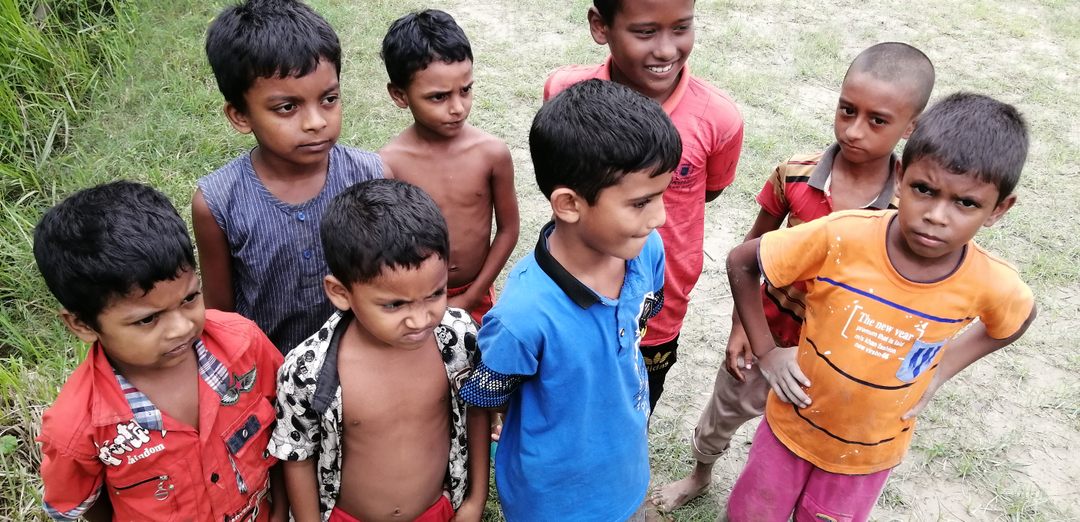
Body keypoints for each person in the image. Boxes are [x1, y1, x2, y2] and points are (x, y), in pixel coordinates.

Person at [724, 92, 1036, 521]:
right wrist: (767, 352)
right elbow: (743, 262)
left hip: (868, 453)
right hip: (791, 425)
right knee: (753, 512)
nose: (937, 215)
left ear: (999, 209)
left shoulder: (990, 280)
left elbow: (1017, 320)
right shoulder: (843, 234)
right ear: (902, 176)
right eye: (924, 190)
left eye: (966, 203)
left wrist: (941, 370)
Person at [653, 42, 936, 511]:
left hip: (841, 355)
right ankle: (700, 474)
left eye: (877, 121)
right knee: (724, 412)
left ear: (911, 126)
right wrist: (742, 328)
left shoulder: (909, 205)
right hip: (768, 331)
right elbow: (750, 253)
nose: (854, 130)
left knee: (808, 440)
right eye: (847, 110)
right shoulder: (795, 175)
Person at [459, 79, 679, 521]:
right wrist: (475, 498)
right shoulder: (522, 317)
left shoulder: (646, 251)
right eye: (640, 203)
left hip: (627, 473)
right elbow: (484, 403)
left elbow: (639, 327)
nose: (660, 216)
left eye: (662, 195)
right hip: (552, 502)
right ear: (569, 204)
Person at [34, 181, 286, 521]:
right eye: (148, 319)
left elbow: (285, 425)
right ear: (82, 324)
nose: (181, 327)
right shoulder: (77, 427)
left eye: (190, 298)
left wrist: (281, 509)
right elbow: (87, 503)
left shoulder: (244, 345)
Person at [543, 0, 743, 411]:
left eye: (681, 28)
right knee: (563, 398)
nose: (666, 49)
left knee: (636, 402)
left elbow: (709, 192)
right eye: (646, 32)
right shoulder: (563, 92)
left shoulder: (719, 119)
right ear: (600, 26)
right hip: (571, 290)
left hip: (657, 307)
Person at [268, 179, 489, 522]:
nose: (420, 319)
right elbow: (297, 455)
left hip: (439, 511)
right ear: (341, 293)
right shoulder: (306, 371)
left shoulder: (459, 339)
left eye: (435, 294)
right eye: (394, 305)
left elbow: (477, 411)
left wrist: (475, 500)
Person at [193, 0, 389, 353]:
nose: (316, 122)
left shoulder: (371, 176)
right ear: (240, 115)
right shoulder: (218, 203)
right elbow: (221, 318)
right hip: (270, 368)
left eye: (329, 99)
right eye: (287, 107)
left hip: (360, 362)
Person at [378, 9, 519, 326]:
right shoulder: (388, 165)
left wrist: (471, 297)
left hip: (477, 294)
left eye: (465, 90)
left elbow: (509, 230)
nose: (457, 108)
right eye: (438, 97)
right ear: (399, 95)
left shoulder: (491, 154)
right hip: (415, 301)